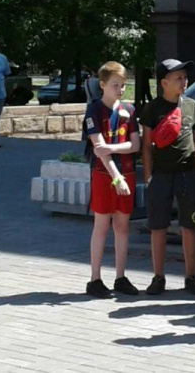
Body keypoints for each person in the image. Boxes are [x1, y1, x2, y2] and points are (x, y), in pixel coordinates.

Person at [139, 59, 195, 296]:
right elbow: (146, 145)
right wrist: (148, 176)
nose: (184, 81)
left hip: (189, 175)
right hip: (160, 176)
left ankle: (191, 277)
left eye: (185, 77)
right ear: (164, 83)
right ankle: (158, 277)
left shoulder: (192, 106)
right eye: (178, 78)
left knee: (189, 226)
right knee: (158, 226)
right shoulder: (152, 109)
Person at [84, 61, 141, 299]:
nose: (120, 90)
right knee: (102, 225)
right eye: (115, 85)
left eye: (123, 85)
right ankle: (95, 279)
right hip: (104, 174)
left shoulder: (129, 110)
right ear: (103, 85)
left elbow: (135, 144)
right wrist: (117, 178)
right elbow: (99, 150)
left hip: (127, 172)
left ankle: (120, 276)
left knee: (122, 226)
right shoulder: (94, 110)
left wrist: (111, 147)